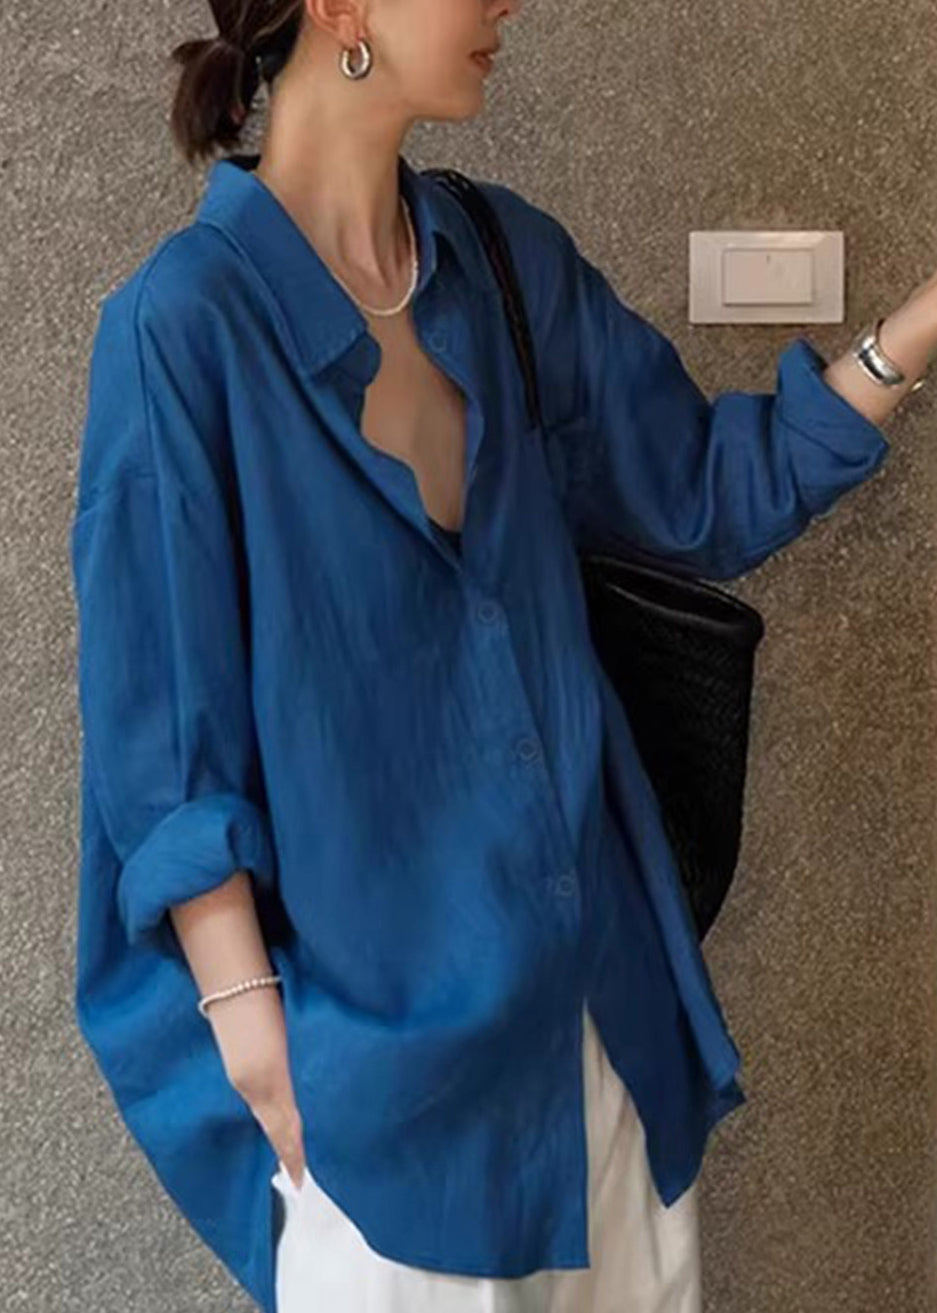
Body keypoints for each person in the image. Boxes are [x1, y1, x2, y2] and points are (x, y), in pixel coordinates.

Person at [69, 1, 936, 1310]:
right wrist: (256, 1039)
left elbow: (702, 493)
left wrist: (915, 328)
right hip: (381, 1106)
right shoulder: (185, 326)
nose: (506, 2)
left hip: (599, 1048)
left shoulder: (499, 263)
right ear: (341, 7)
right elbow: (162, 733)